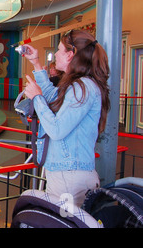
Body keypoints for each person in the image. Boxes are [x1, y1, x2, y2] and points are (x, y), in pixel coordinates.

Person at [23, 29, 110, 207]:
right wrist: (36, 63)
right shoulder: (77, 85)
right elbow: (52, 97)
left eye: (59, 50)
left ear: (70, 55)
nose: (55, 54)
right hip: (66, 174)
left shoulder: (82, 87)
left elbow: (57, 129)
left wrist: (36, 98)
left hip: (68, 178)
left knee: (63, 222)